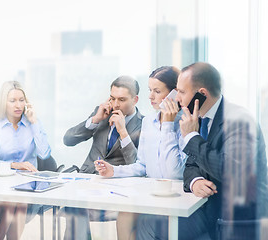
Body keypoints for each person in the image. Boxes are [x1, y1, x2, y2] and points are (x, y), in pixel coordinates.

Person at [135, 62, 268, 240]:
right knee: (149, 224)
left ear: (202, 94)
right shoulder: (199, 119)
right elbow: (190, 165)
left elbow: (232, 172)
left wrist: (191, 137)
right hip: (207, 208)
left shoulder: (239, 121)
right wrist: (195, 181)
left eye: (181, 92)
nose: (177, 99)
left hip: (236, 217)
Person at [94, 66, 187, 240]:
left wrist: (167, 124)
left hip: (175, 198)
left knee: (139, 229)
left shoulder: (186, 122)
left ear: (175, 94)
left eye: (157, 91)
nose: (151, 96)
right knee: (125, 215)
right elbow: (142, 166)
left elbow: (174, 173)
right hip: (151, 195)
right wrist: (114, 171)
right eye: (150, 90)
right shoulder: (149, 122)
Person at [62, 75, 144, 240]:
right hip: (87, 181)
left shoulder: (143, 124)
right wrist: (95, 120)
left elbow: (136, 165)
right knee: (74, 206)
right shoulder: (101, 114)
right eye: (112, 98)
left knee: (77, 207)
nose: (115, 104)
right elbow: (68, 140)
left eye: (121, 99)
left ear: (135, 100)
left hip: (116, 188)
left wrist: (123, 132)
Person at [0, 81, 51, 240]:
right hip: (2, 190)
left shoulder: (33, 124)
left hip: (29, 192)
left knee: (18, 200)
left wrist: (34, 123)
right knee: (11, 200)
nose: (18, 105)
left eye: (21, 100)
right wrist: (13, 165)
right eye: (12, 101)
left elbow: (44, 153)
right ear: (3, 103)